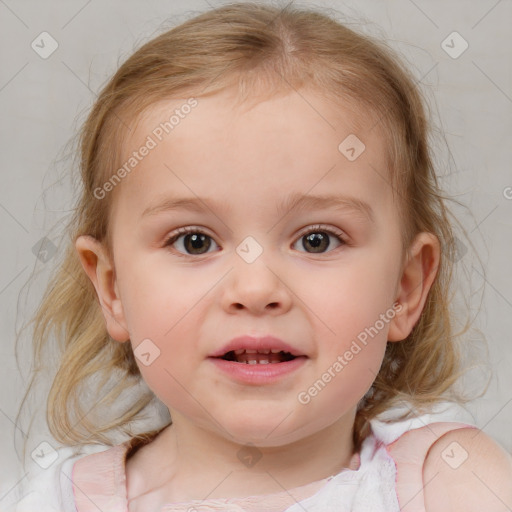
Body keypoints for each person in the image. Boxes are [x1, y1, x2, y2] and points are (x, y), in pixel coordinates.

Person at [9, 2, 512, 511]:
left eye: (317, 240)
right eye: (194, 241)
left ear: (404, 288)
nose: (255, 291)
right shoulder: (51, 500)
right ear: (112, 290)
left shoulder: (448, 484)